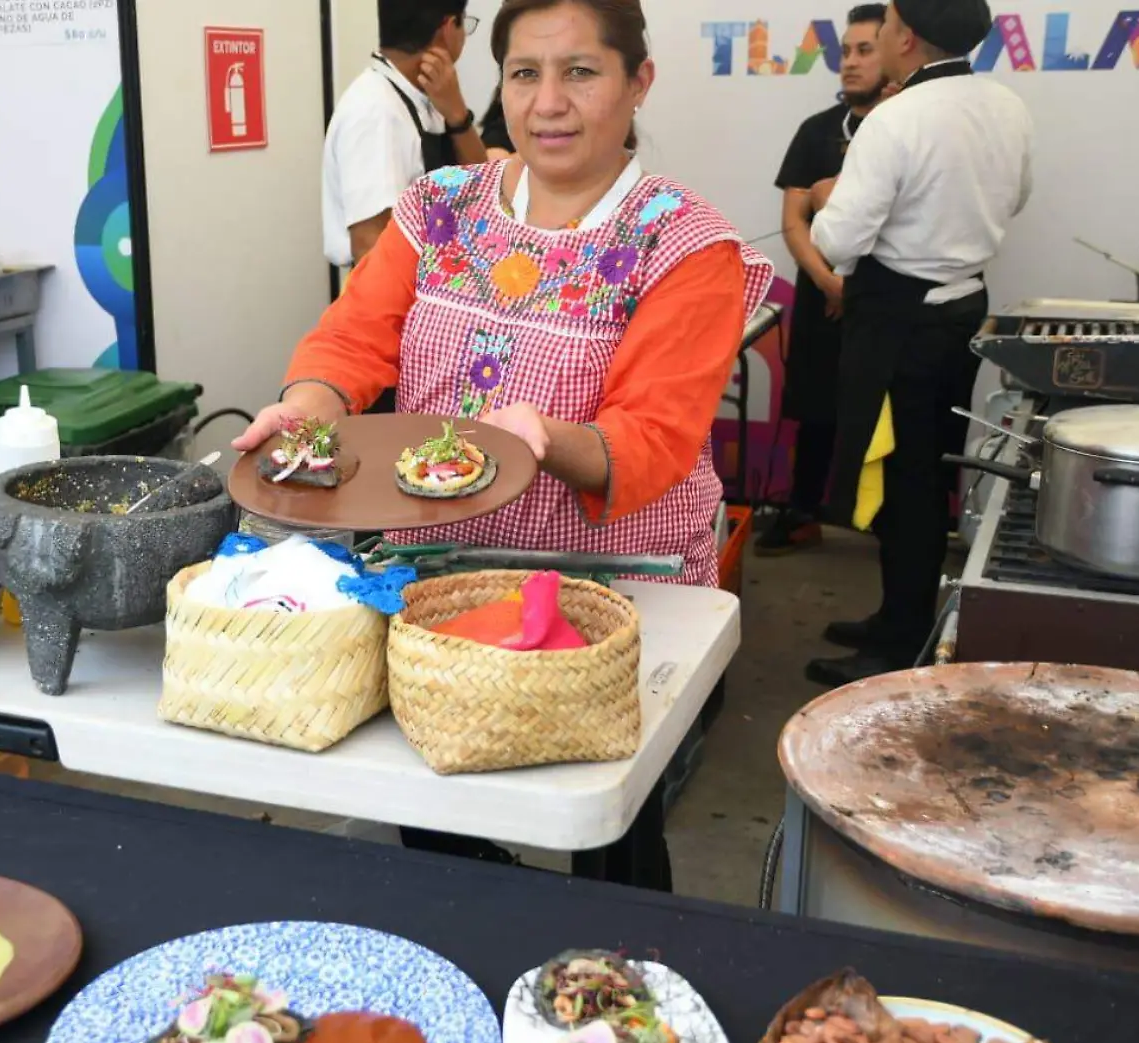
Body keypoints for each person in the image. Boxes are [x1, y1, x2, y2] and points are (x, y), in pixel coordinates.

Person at [241, 0, 773, 877]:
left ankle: (612, 964)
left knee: (605, 818)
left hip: (610, 591)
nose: (548, 103)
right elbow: (352, 339)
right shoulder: (440, 208)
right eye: (525, 74)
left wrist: (541, 438)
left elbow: (652, 438)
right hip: (443, 577)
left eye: (581, 72)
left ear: (639, 82)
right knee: (432, 792)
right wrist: (304, 409)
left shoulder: (683, 243)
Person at [804, 0, 1034, 686]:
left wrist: (825, 199)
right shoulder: (1007, 106)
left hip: (900, 321)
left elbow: (838, 240)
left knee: (902, 481)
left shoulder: (894, 118)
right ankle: (896, 614)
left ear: (904, 36)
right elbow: (1017, 197)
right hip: (963, 306)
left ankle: (898, 645)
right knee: (924, 474)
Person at [755, 4, 890, 556]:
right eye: (847, 52)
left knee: (891, 414)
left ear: (898, 50)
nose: (851, 64)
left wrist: (855, 285)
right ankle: (805, 510)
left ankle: (889, 521)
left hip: (886, 299)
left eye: (865, 51)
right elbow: (794, 221)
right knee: (815, 410)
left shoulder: (910, 128)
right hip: (823, 295)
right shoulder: (816, 132)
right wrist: (829, 282)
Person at [323, 1, 491, 268]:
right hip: (400, 296)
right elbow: (370, 247)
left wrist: (458, 115)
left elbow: (484, 189)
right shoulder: (375, 110)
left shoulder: (431, 95)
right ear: (448, 28)